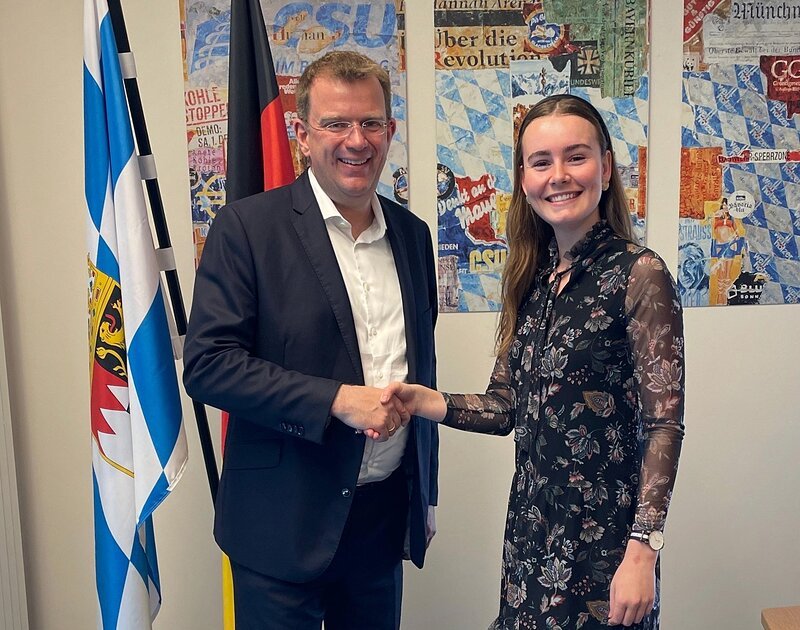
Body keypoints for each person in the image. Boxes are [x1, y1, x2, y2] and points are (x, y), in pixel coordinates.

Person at [382, 94, 684, 629]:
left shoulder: (640, 274)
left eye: (576, 157)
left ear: (606, 168)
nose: (559, 176)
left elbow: (664, 424)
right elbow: (506, 407)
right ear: (523, 179)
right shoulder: (533, 279)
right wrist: (425, 401)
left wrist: (643, 551)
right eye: (541, 162)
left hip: (608, 547)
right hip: (531, 536)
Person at [183, 51, 439, 630]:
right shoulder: (246, 228)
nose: (357, 140)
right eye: (336, 124)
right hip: (280, 525)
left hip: (380, 522)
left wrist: (425, 491)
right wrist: (337, 400)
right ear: (302, 134)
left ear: (390, 130)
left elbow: (420, 367)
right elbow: (208, 365)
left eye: (371, 123)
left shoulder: (413, 236)